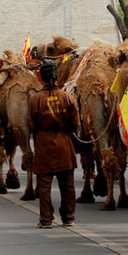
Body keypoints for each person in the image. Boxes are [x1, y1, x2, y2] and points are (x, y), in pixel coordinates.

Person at [29, 59, 79, 228]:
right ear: (57, 76)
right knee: (68, 184)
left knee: (44, 185)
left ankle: (46, 219)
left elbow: (32, 125)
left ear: (41, 77)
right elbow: (75, 125)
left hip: (43, 145)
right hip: (64, 143)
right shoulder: (67, 97)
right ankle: (68, 217)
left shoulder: (35, 99)